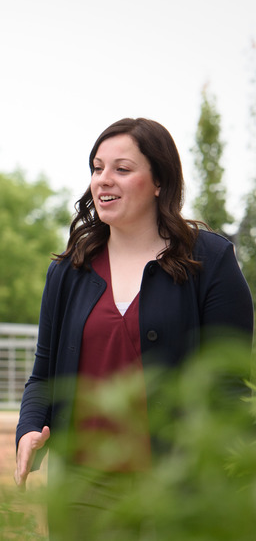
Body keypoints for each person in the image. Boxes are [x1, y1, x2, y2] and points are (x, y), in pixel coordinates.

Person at [14, 117, 254, 539]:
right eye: (97, 167)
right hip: (83, 488)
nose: (104, 180)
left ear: (159, 181)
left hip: (179, 486)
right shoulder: (68, 270)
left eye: (122, 169)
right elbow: (43, 376)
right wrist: (30, 429)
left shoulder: (210, 260)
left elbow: (229, 383)